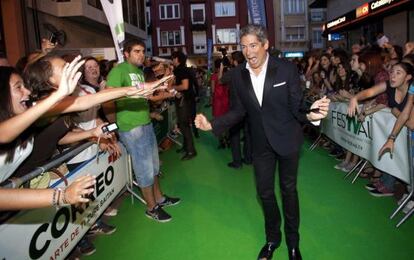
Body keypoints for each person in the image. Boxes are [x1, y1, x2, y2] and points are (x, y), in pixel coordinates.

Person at [195, 24, 330, 260]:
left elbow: (297, 107)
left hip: (287, 140)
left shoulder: (286, 70)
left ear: (266, 44)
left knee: (289, 191)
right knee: (264, 192)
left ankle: (293, 243)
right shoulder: (238, 75)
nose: (249, 52)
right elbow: (238, 111)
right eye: (244, 47)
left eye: (254, 45)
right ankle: (272, 239)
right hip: (260, 144)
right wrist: (213, 124)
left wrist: (310, 114)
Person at [104, 39, 180, 223]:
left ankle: (160, 198)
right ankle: (151, 208)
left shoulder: (138, 72)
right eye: (136, 51)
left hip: (145, 124)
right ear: (126, 54)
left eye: (142, 51)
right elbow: (107, 99)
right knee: (144, 170)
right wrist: (116, 126)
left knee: (154, 165)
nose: (141, 54)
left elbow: (145, 98)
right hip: (131, 129)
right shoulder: (118, 71)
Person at [170, 51, 197, 160]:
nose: (172, 61)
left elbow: (185, 86)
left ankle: (191, 151)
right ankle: (186, 147)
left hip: (184, 101)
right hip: (184, 100)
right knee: (182, 124)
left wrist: (173, 87)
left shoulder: (181, 70)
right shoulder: (181, 69)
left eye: (173, 58)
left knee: (184, 125)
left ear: (177, 59)